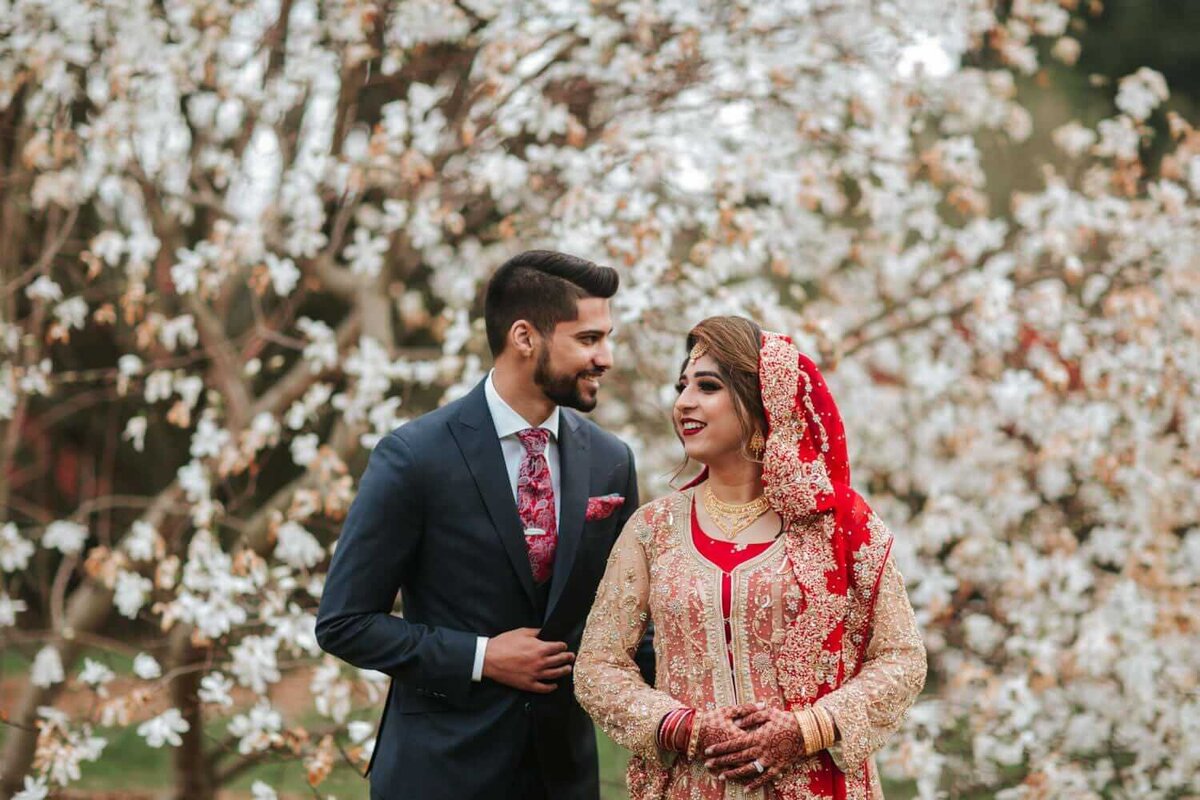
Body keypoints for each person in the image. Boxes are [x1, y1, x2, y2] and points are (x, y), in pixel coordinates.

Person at [316, 250, 647, 800]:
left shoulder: (612, 460)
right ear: (525, 337)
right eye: (588, 339)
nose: (606, 358)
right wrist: (482, 658)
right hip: (439, 772)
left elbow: (631, 625)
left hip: (562, 777)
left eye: (606, 337)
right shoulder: (414, 456)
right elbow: (345, 622)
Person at [575, 315, 926, 799]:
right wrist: (684, 728)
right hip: (692, 786)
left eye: (708, 386)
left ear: (763, 400)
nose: (684, 403)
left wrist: (807, 730)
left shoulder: (836, 522)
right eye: (681, 386)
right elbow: (597, 665)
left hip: (817, 785)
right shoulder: (653, 530)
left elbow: (902, 658)